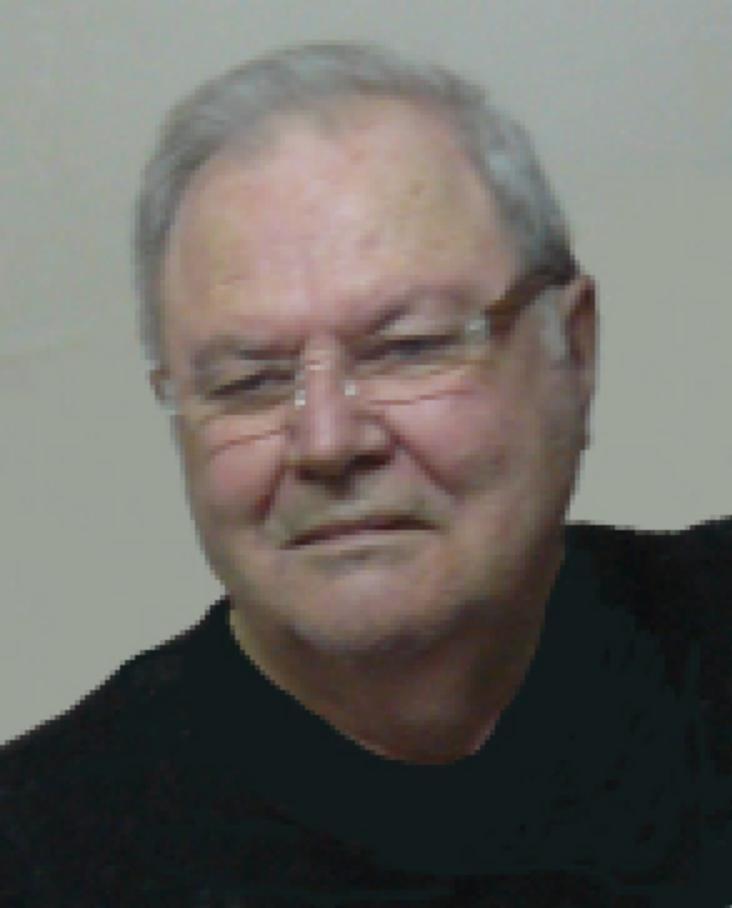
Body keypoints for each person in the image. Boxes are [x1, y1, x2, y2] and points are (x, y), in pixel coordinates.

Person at [1, 42, 729, 907]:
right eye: (248, 382)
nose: (327, 441)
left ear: (573, 348)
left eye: (408, 349)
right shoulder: (38, 853)